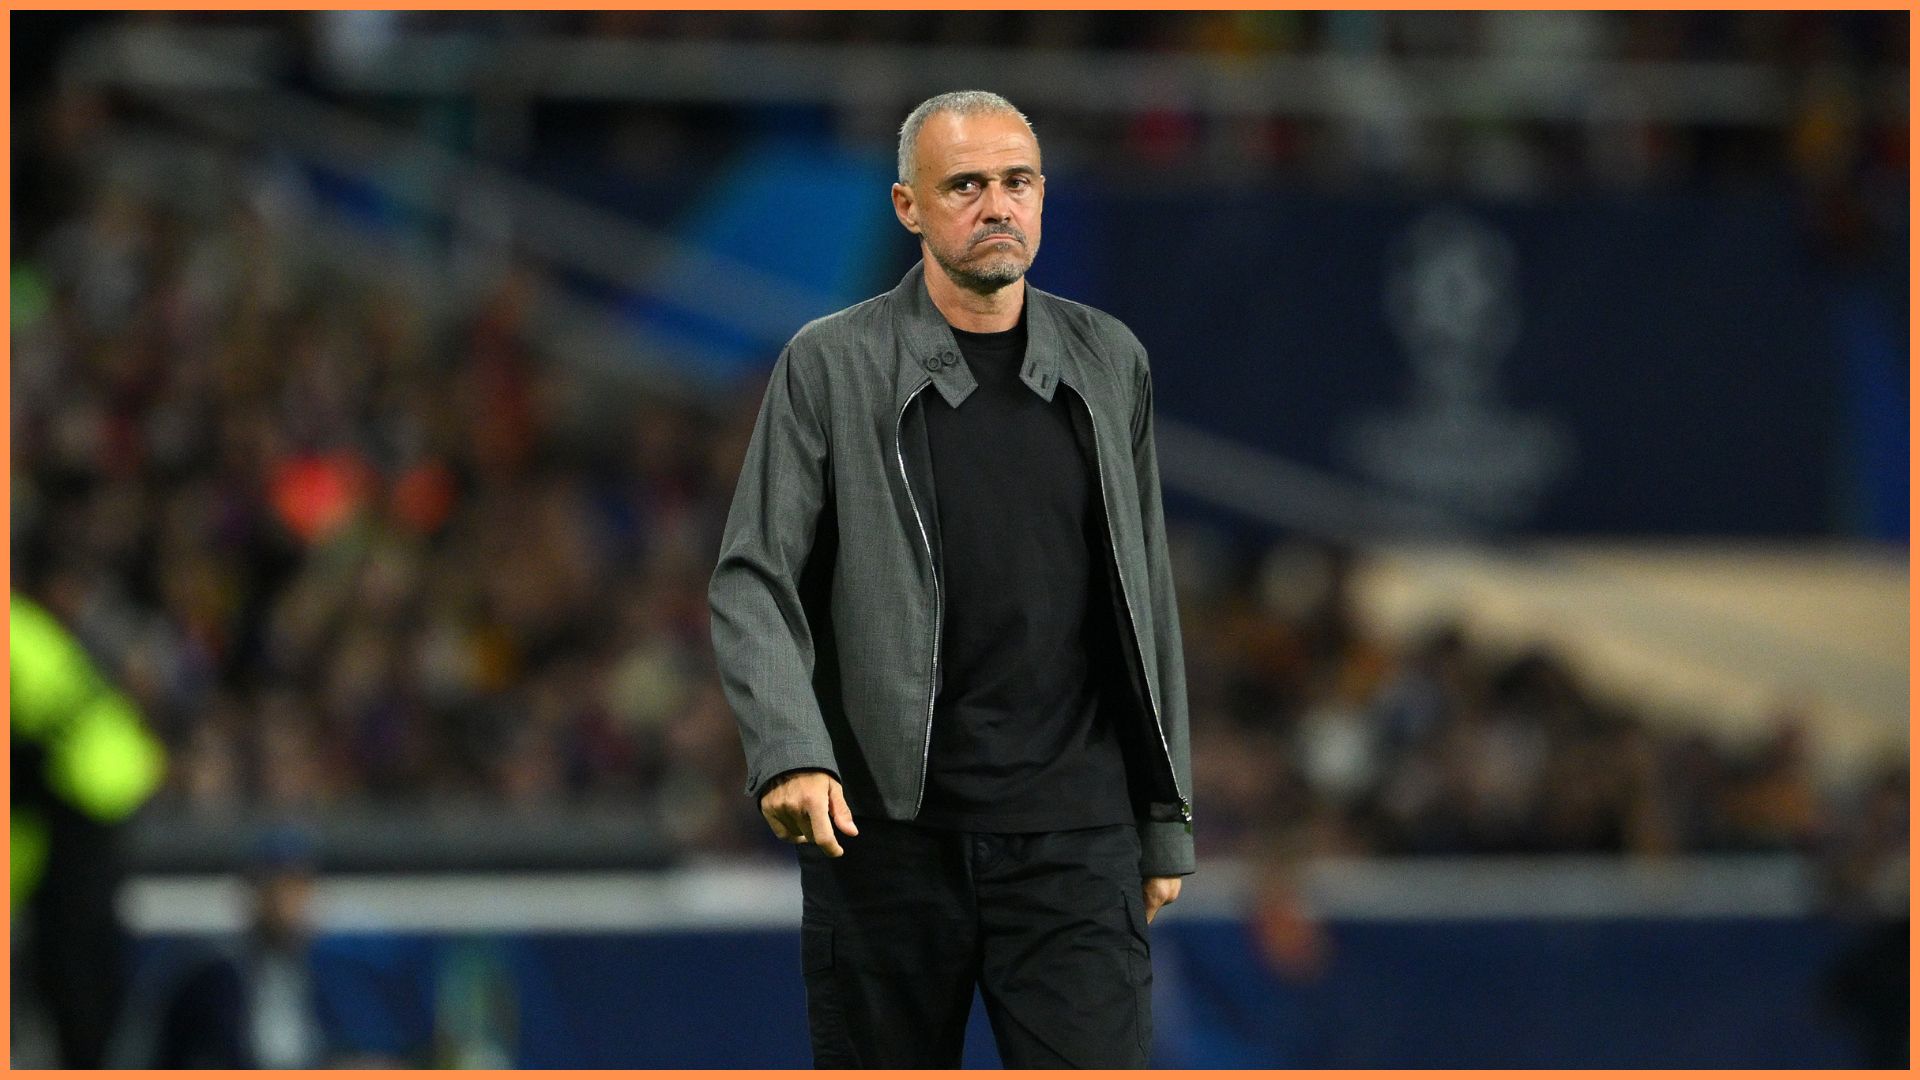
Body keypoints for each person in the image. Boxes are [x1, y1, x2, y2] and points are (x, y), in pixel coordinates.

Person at [709, 90, 1193, 1068]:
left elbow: (1146, 596)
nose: (996, 205)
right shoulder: (831, 366)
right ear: (908, 207)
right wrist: (791, 750)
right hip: (887, 842)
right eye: (964, 185)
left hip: (1074, 839)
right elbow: (753, 577)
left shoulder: (1110, 362)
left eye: (1016, 182)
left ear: (1043, 196)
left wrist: (1163, 817)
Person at [10, 590, 167, 1068]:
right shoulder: (20, 619)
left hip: (84, 782)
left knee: (72, 954)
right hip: (85, 777)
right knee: (75, 949)